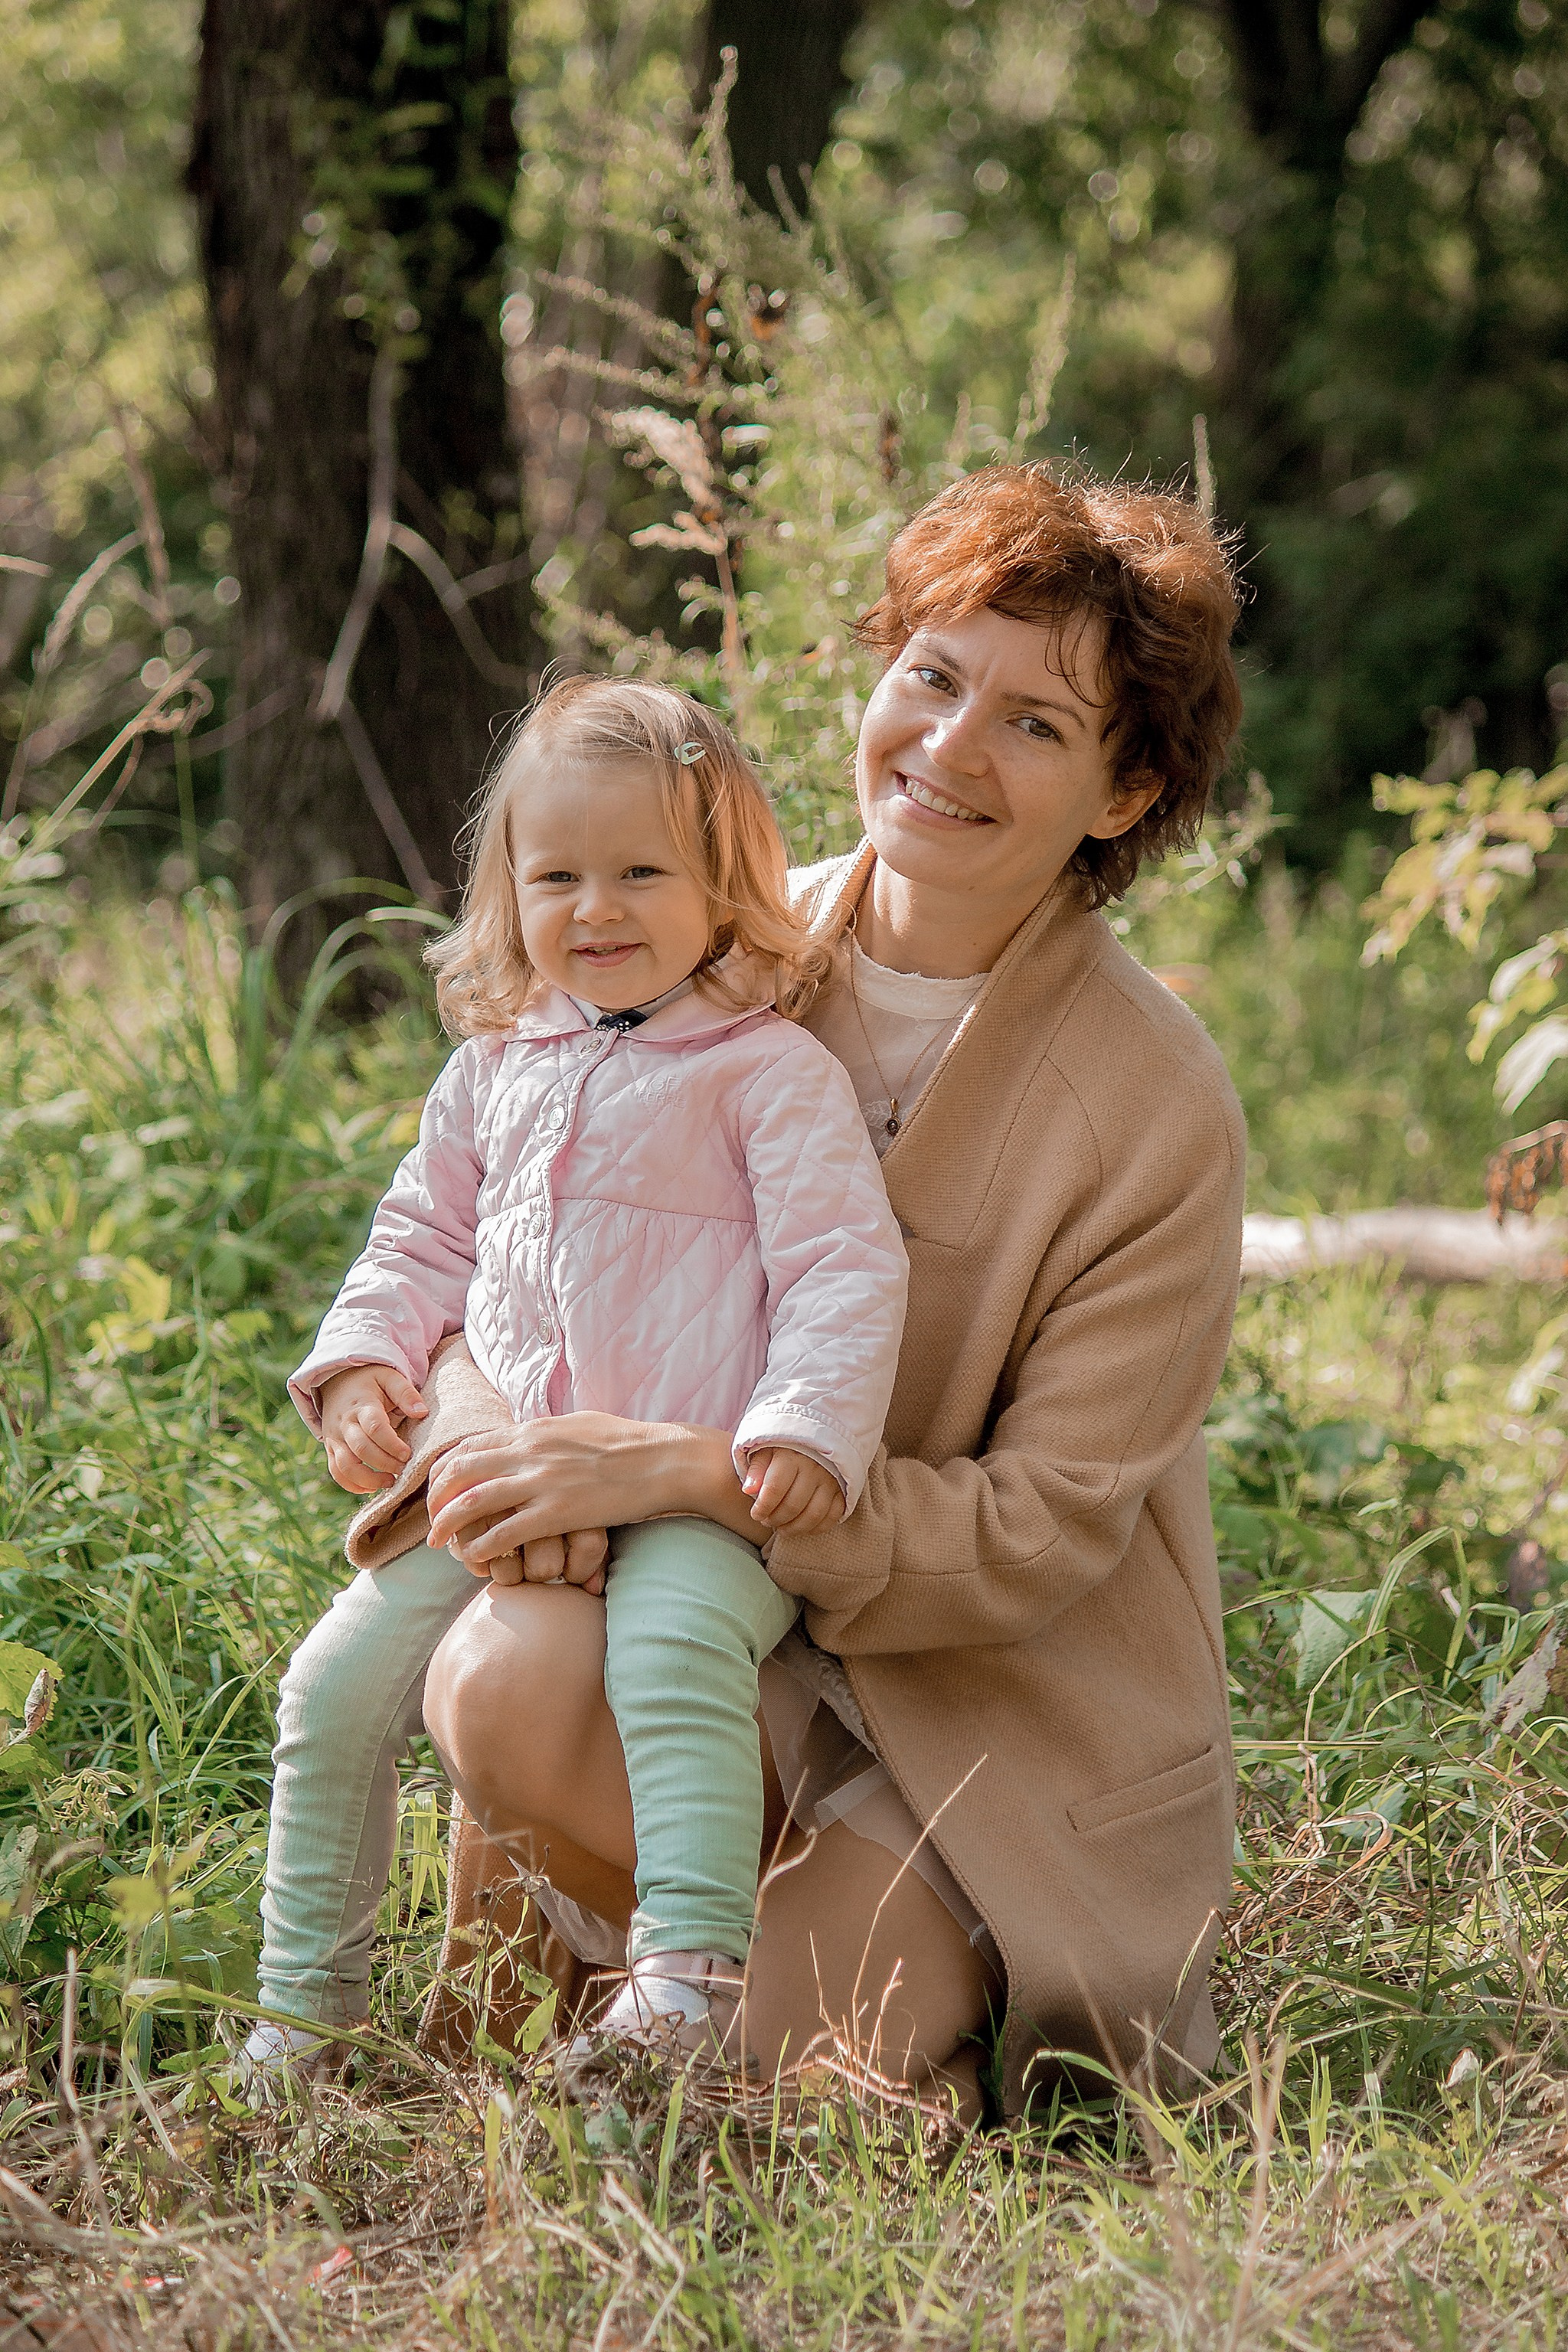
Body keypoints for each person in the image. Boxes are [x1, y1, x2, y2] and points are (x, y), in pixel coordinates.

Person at [420, 462, 1250, 2123]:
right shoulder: (709, 943)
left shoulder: (1156, 1104)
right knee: (499, 1672)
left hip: (989, 1715)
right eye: (931, 677)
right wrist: (486, 1439)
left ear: (1120, 790)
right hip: (712, 1643)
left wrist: (683, 1472)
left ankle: (863, 1995)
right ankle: (676, 1944)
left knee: (793, 2090)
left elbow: (1044, 1529)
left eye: (1034, 724)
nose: (946, 749)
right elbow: (481, 1234)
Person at [247, 678, 908, 2082]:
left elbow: (843, 1270)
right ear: (509, 892)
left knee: (672, 1662)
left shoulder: (766, 1074)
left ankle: (683, 1981)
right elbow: (422, 1233)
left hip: (695, 1488)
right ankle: (304, 2012)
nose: (595, 909)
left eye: (641, 872)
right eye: (557, 877)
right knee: (333, 1685)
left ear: (725, 884)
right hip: (506, 1477)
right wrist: (367, 1359)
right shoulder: (498, 1065)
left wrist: (801, 1431)